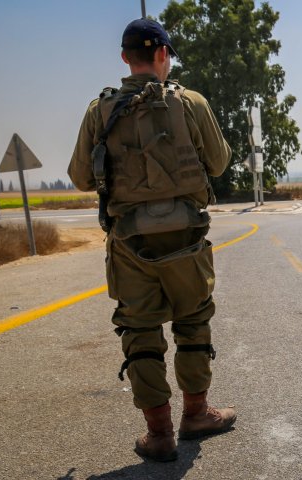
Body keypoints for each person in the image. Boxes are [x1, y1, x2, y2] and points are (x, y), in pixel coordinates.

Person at [68, 18, 235, 462]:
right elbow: (218, 163)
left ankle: (159, 434)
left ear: (125, 57)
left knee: (140, 331)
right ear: (163, 54)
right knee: (193, 322)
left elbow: (80, 177)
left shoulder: (98, 111)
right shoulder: (192, 102)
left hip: (129, 244)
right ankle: (197, 414)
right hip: (187, 240)